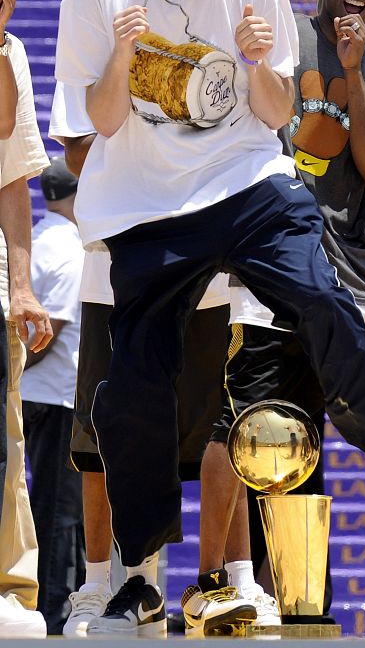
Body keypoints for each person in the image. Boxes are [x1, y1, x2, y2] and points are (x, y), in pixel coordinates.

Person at [55, 0, 365, 637]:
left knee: (320, 291)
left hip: (248, 185)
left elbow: (278, 112)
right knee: (134, 387)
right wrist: (123, 53)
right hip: (149, 214)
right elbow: (101, 124)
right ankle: (133, 579)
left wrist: (255, 62)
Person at [183, 0, 365, 637]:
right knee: (249, 430)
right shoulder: (286, 33)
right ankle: (221, 582)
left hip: (359, 276)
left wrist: (353, 75)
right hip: (268, 264)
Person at [48, 89, 231, 638]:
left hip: (202, 280)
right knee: (102, 435)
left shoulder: (217, 45)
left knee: (207, 434)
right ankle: (106, 585)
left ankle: (213, 583)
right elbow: (77, 155)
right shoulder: (105, 38)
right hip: (113, 274)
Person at [0, 0, 53, 639]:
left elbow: (10, 177)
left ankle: (10, 585)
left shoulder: (8, 51)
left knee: (5, 437)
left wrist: (21, 285)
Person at [21, 158, 85, 634]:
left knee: (44, 506)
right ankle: (54, 613)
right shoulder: (71, 252)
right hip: (60, 399)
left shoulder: (38, 243)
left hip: (32, 396)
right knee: (59, 512)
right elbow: (45, 337)